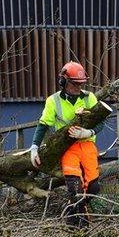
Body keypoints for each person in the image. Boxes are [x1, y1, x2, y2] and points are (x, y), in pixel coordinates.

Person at [30, 61, 103, 226]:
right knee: (75, 188)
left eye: (81, 84)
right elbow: (43, 125)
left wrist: (88, 132)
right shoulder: (53, 101)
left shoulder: (89, 98)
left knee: (93, 188)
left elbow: (100, 121)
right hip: (67, 147)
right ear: (63, 81)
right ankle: (79, 227)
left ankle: (71, 213)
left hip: (87, 145)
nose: (78, 87)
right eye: (74, 84)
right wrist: (34, 147)